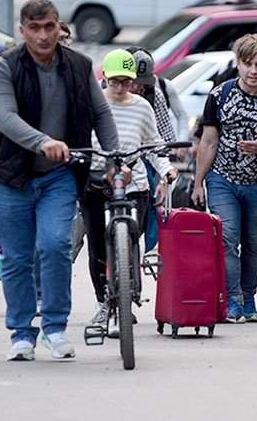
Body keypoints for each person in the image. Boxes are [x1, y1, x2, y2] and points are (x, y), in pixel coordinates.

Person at [0, 0, 119, 362]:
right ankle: (22, 333)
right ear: (23, 30)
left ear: (60, 27)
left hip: (58, 176)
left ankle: (55, 328)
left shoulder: (79, 66)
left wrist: (113, 156)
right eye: (35, 28)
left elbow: (101, 113)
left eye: (49, 27)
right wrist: (43, 141)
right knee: (16, 257)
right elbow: (5, 118)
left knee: (56, 245)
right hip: (12, 176)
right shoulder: (5, 68)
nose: (43, 35)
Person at [192, 34, 257, 323]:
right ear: (237, 64)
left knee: (253, 242)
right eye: (247, 64)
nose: (253, 71)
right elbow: (208, 141)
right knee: (227, 238)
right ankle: (233, 298)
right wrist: (199, 181)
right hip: (222, 179)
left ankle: (249, 298)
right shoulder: (220, 96)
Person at [81, 50, 175, 330]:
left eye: (127, 81)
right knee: (97, 244)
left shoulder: (142, 107)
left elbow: (154, 143)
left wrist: (165, 168)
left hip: (134, 183)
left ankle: (128, 288)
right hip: (98, 180)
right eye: (115, 81)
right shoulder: (90, 105)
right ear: (105, 78)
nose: (121, 87)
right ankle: (102, 302)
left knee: (130, 238)